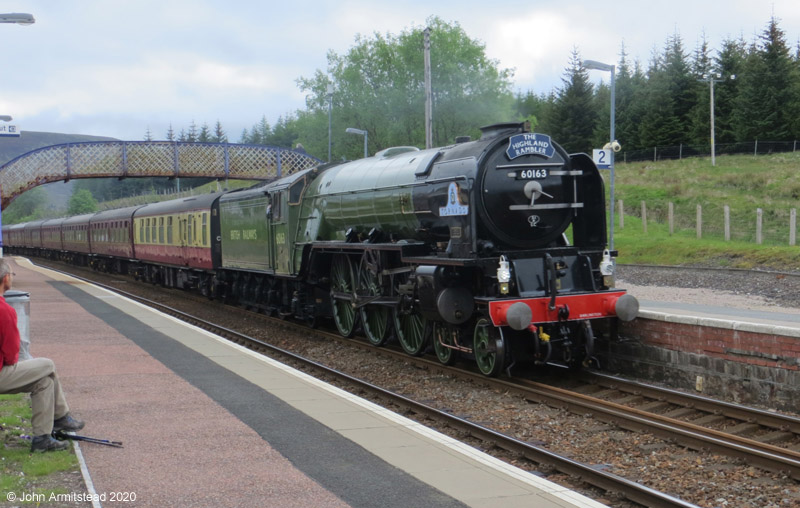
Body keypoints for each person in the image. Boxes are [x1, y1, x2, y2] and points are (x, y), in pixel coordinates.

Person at [0, 259, 84, 452]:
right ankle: (61, 418)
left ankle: (42, 439)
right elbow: (12, 356)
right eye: (12, 275)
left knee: (44, 382)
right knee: (47, 365)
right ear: (6, 279)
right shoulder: (5, 311)